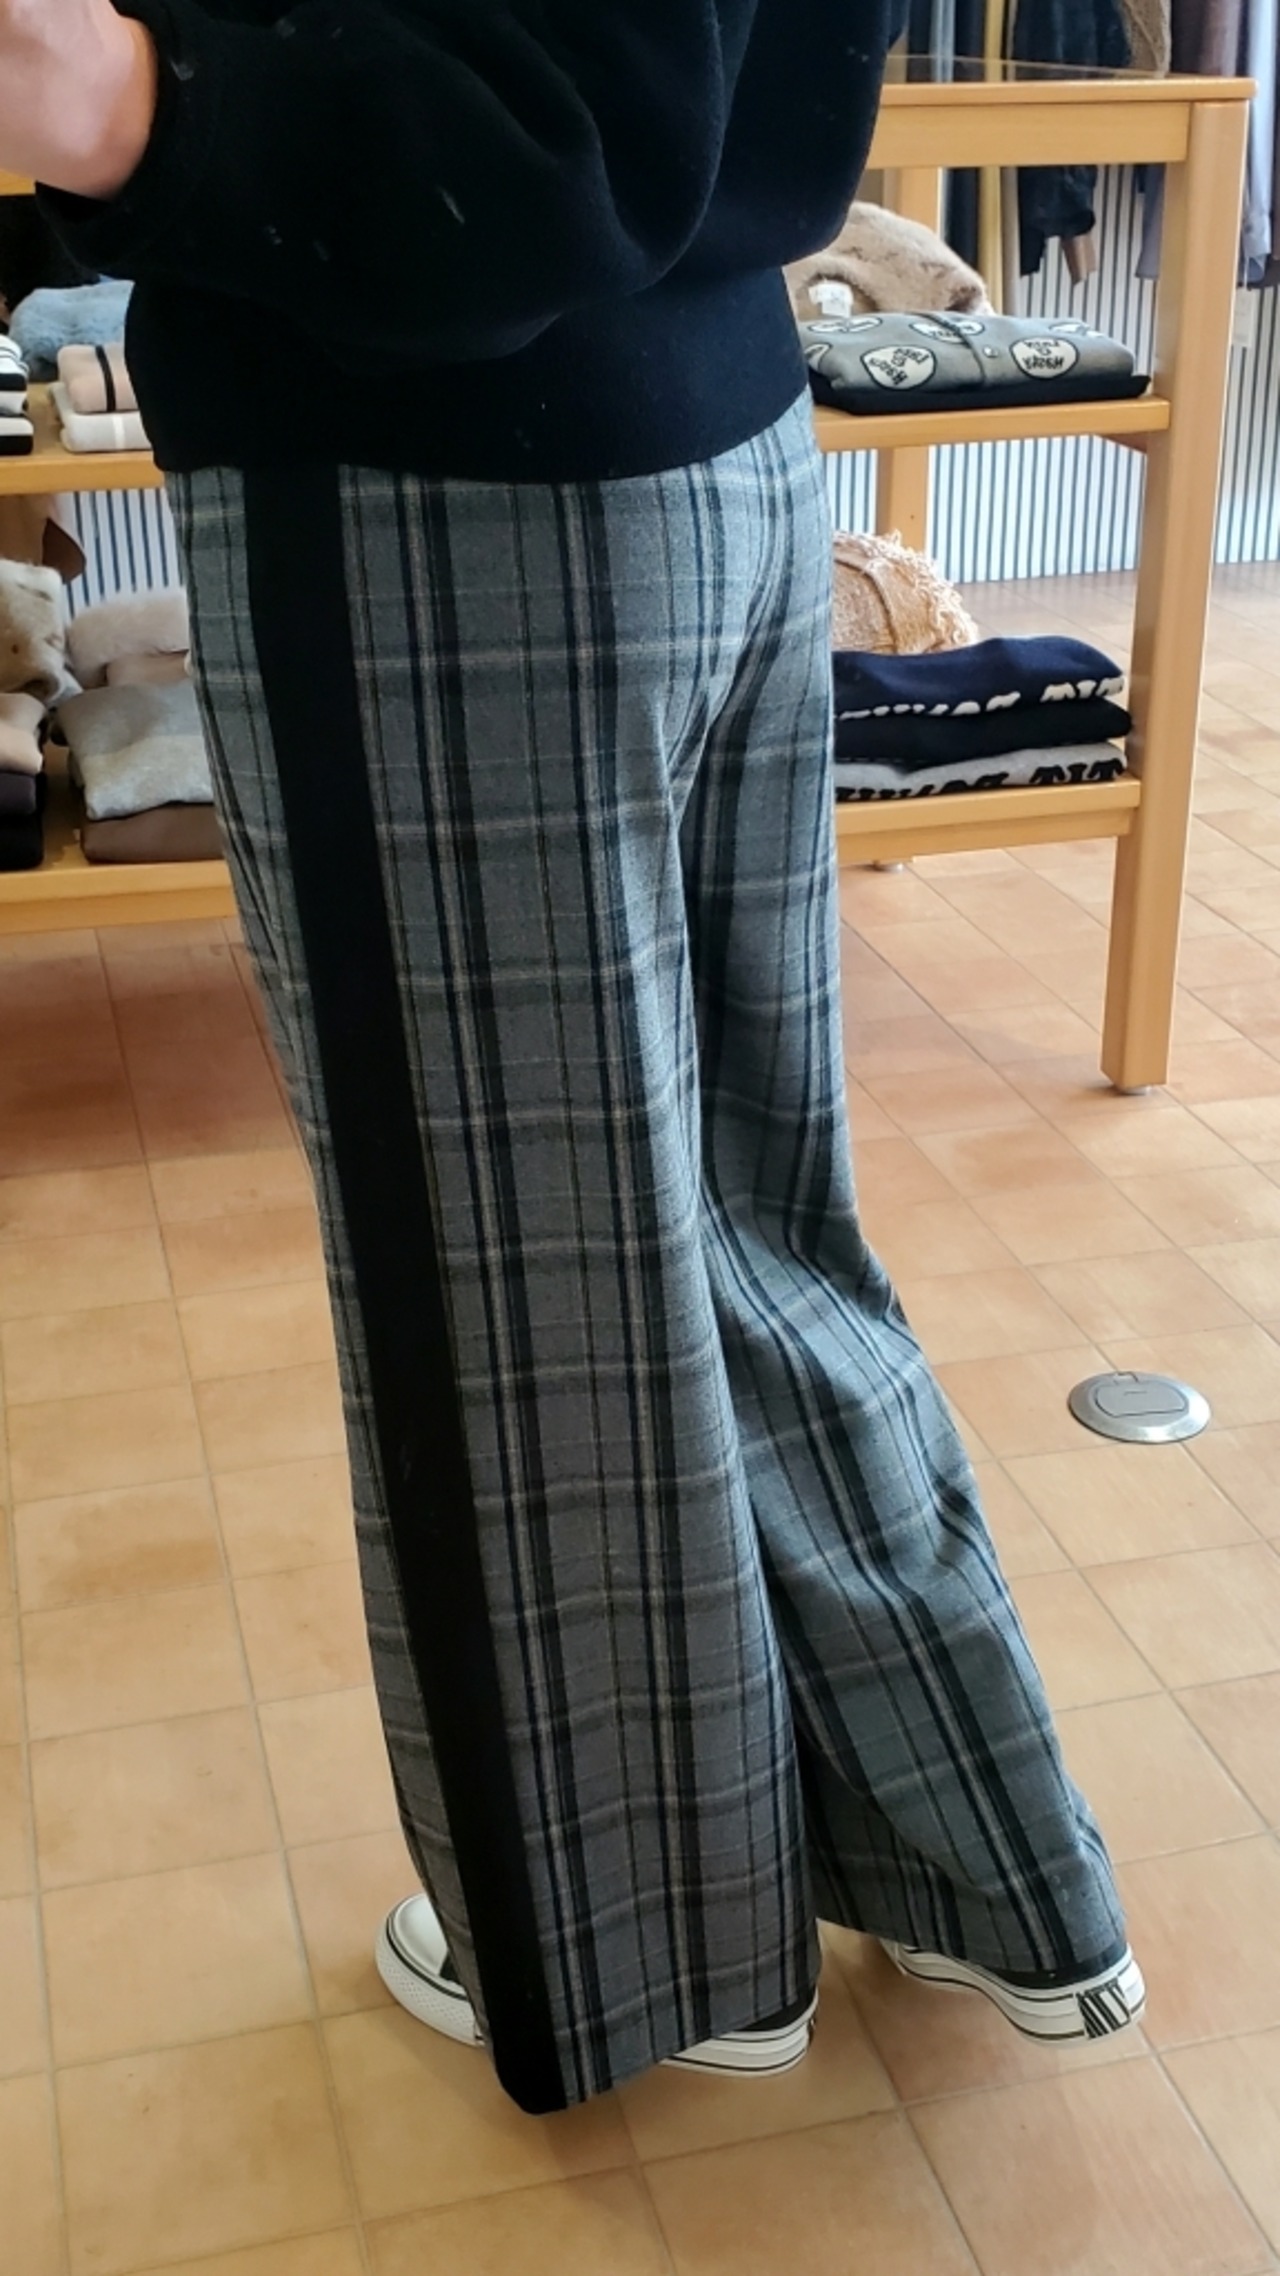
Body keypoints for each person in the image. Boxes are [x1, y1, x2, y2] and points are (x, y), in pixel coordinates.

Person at [5, 0, 1143, 2116]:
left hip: (432, 477)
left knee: (515, 1294)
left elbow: (529, 145)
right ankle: (978, 1864)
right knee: (743, 1220)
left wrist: (133, 101)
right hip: (706, 423)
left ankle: (653, 1957)